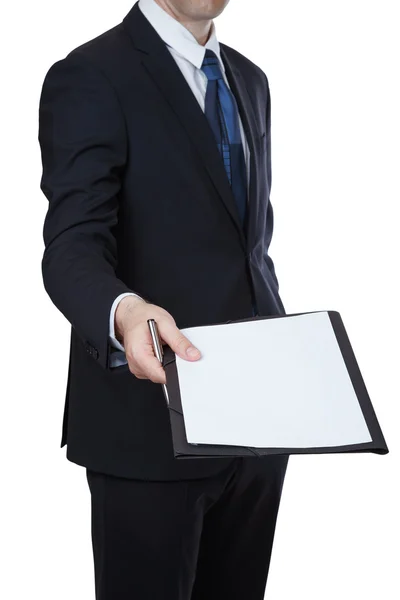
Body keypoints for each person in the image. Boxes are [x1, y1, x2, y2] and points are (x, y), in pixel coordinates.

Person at [38, 0, 289, 598]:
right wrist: (124, 311)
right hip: (147, 431)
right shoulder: (91, 74)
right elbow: (71, 246)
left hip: (258, 428)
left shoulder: (249, 81)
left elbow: (246, 246)